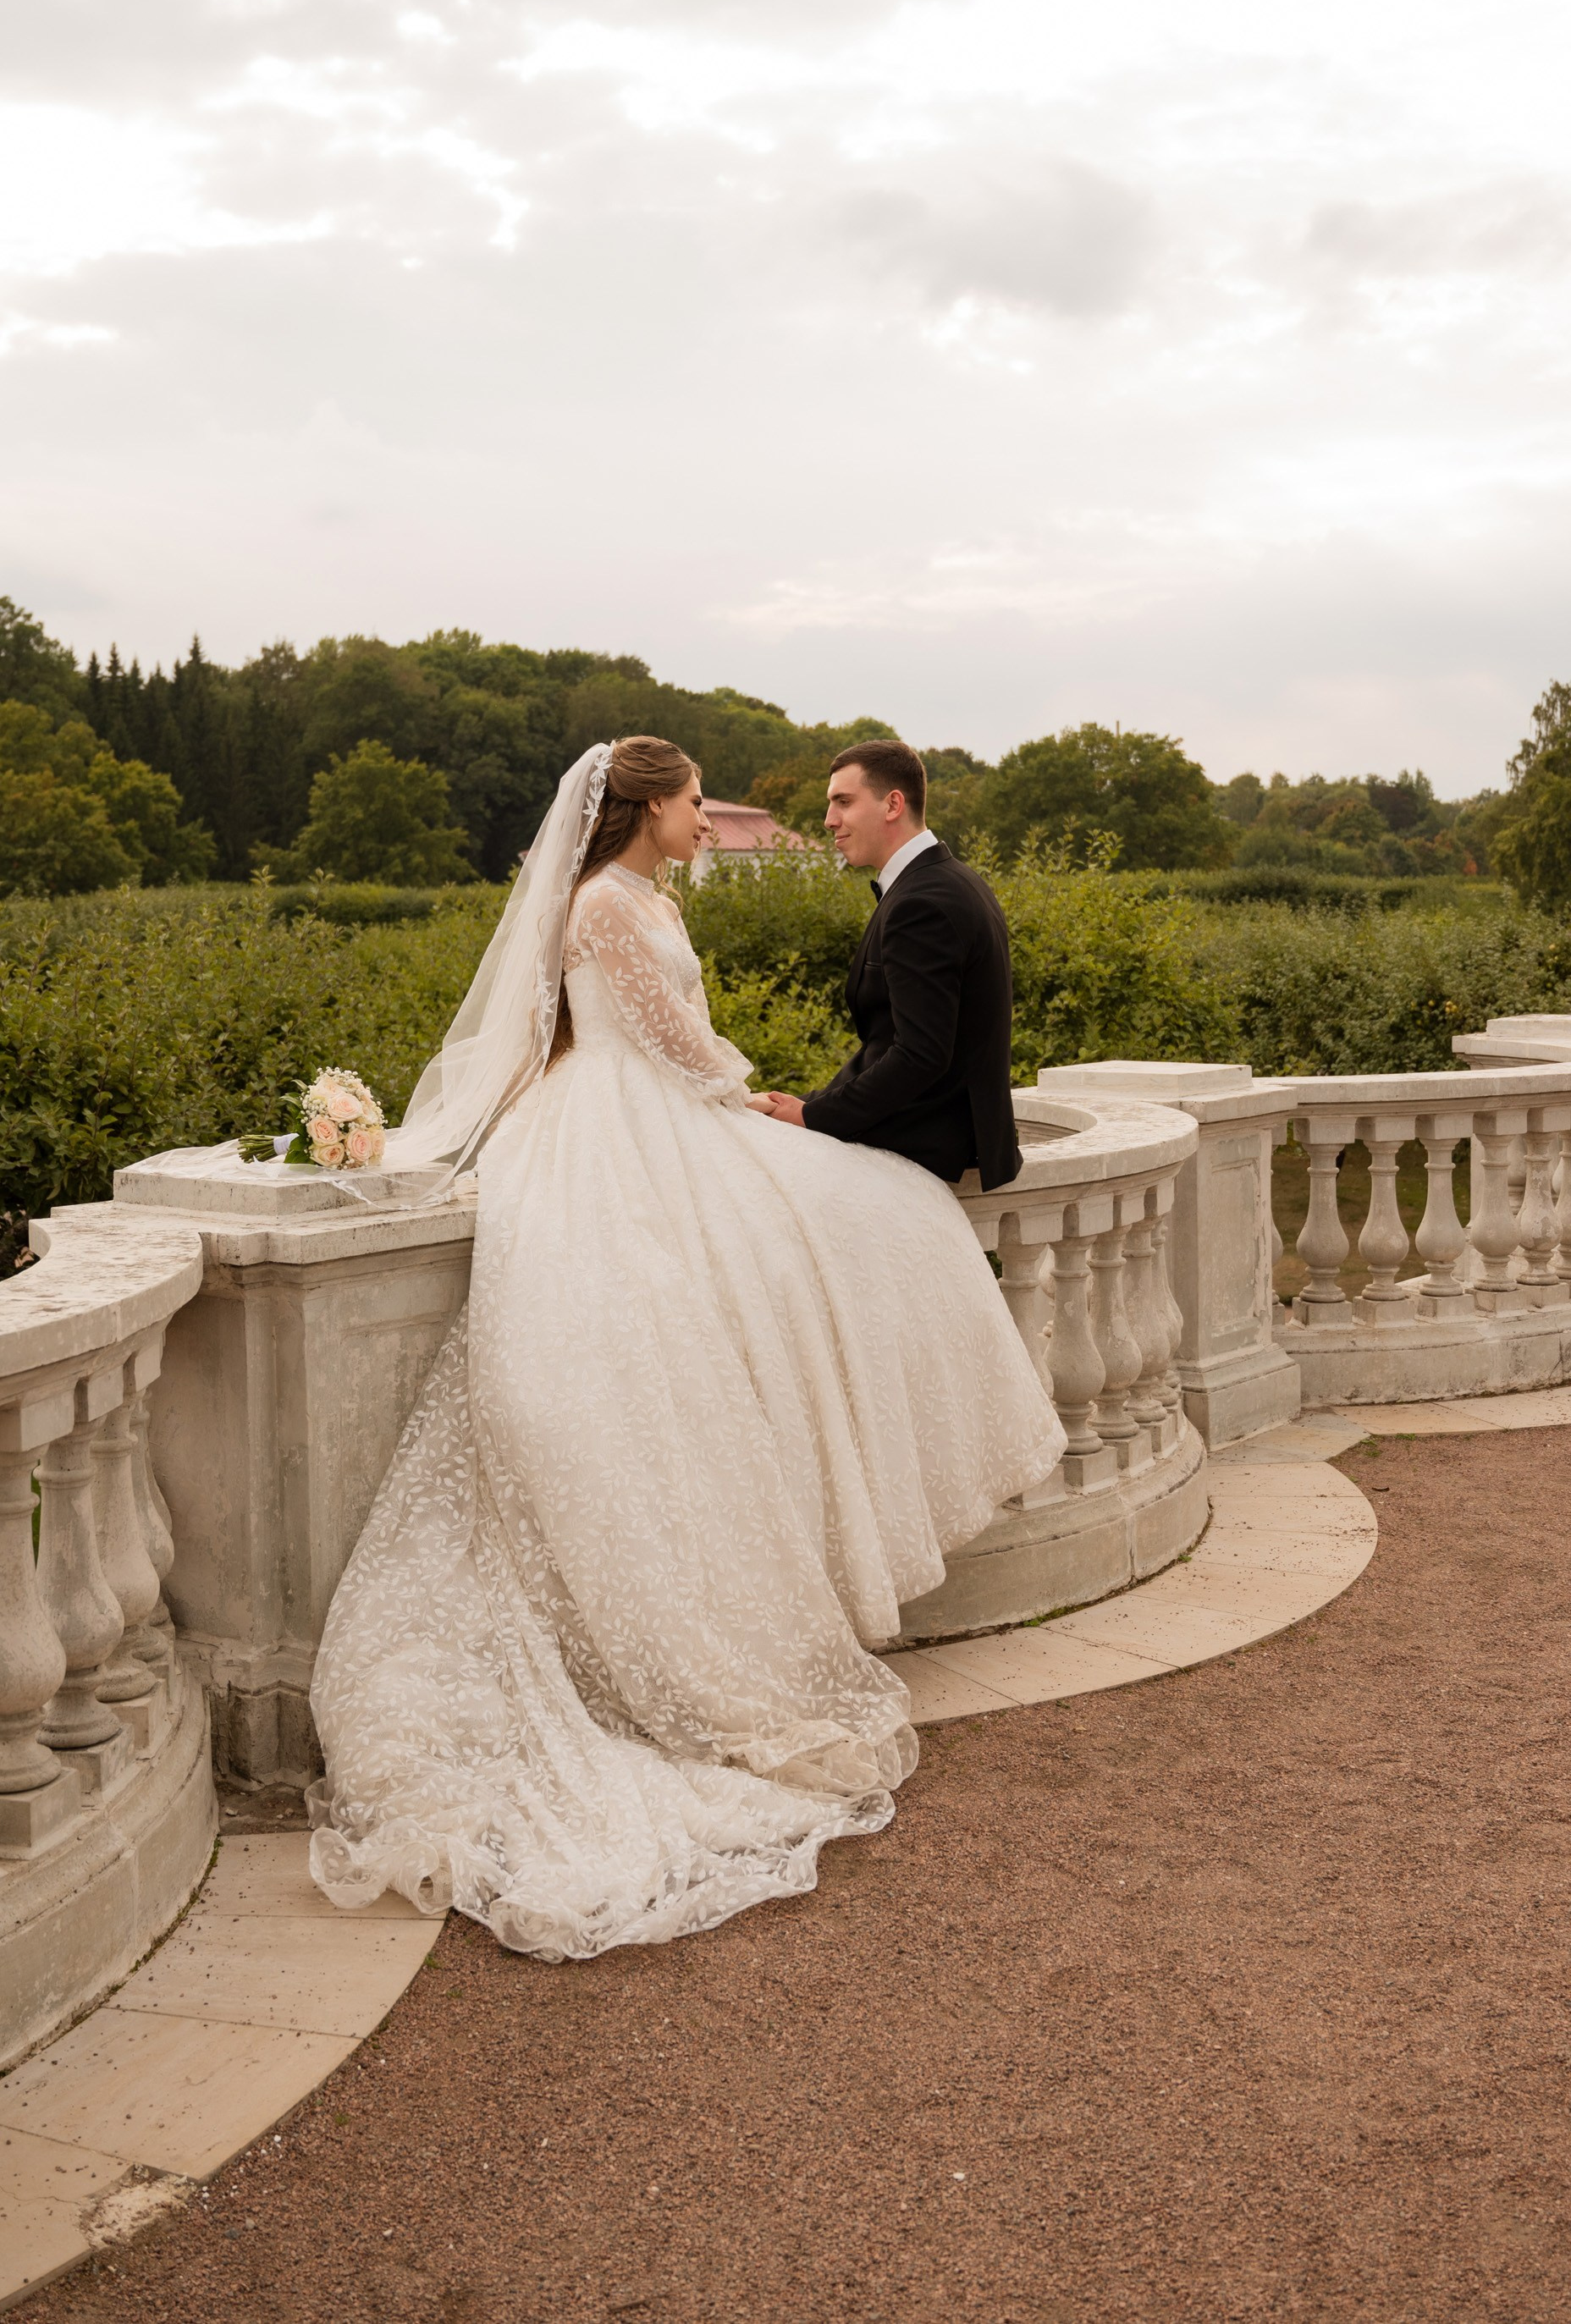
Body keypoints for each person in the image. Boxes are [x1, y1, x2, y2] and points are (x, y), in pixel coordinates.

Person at [307, 736, 1064, 1962]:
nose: (711, 819)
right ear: (646, 808)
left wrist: (765, 1101)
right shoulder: (605, 902)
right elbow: (661, 1041)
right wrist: (756, 1095)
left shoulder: (640, 895)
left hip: (642, 1117)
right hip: (622, 1131)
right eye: (697, 800)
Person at [752, 739, 1019, 1189]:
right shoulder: (948, 880)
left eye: (843, 801)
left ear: (893, 803)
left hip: (930, 1146)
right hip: (922, 1128)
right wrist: (810, 1103)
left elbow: (920, 1056)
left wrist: (812, 1114)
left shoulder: (923, 902)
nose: (829, 820)